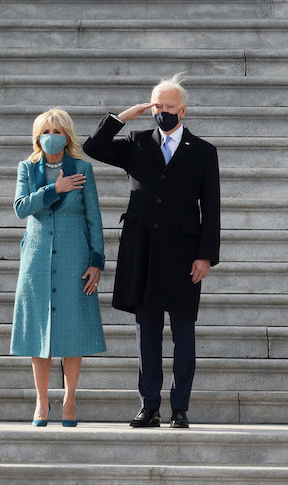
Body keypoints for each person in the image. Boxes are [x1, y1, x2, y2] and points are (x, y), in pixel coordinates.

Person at [83, 74, 221, 429]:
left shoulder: (204, 151)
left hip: (183, 254)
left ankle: (179, 407)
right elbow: (93, 148)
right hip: (142, 251)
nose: (162, 112)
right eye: (157, 105)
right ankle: (149, 406)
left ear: (183, 110)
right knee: (146, 333)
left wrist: (206, 255)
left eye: (168, 106)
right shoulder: (137, 142)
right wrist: (121, 118)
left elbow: (213, 206)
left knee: (183, 334)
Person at [11, 108, 106, 427]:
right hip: (37, 258)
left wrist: (97, 261)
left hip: (74, 256)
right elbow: (21, 208)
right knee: (39, 331)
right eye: (46, 131)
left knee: (72, 330)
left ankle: (69, 398)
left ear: (67, 136)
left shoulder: (82, 168)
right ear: (38, 137)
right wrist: (55, 189)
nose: (52, 137)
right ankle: (41, 401)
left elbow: (94, 217)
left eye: (58, 131)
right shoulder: (28, 167)